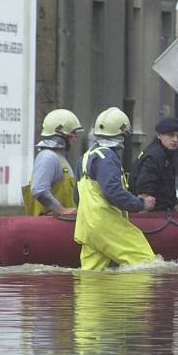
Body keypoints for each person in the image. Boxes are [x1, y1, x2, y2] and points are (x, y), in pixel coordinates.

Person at [74, 106, 157, 270]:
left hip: (88, 227)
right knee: (146, 264)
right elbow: (114, 192)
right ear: (123, 134)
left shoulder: (84, 159)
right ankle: (133, 296)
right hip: (107, 225)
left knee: (92, 275)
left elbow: (77, 197)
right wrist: (141, 203)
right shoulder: (107, 157)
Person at [22, 108, 83, 216]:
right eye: (72, 134)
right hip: (47, 227)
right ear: (60, 134)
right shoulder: (48, 157)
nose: (74, 138)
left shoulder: (59, 158)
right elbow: (39, 190)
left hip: (60, 225)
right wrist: (62, 210)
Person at [129, 116, 178, 211]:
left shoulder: (166, 153)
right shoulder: (155, 155)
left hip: (163, 213)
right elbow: (144, 192)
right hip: (155, 216)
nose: (175, 139)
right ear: (159, 135)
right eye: (171, 135)